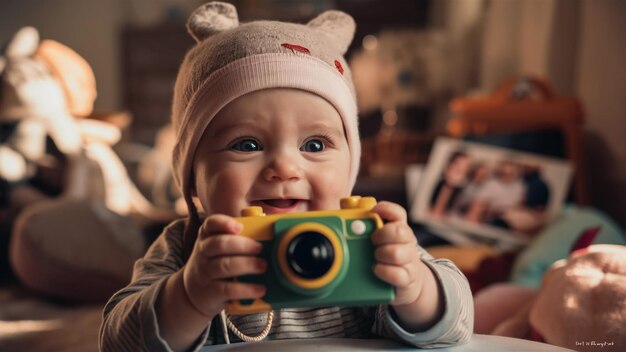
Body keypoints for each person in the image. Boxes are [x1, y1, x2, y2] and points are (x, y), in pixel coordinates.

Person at [99, 2, 473, 351]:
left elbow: (459, 325)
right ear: (192, 176)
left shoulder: (365, 240)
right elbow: (117, 341)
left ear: (351, 166)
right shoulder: (187, 249)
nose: (285, 169)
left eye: (314, 145)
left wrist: (416, 287)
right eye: (246, 145)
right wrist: (189, 295)